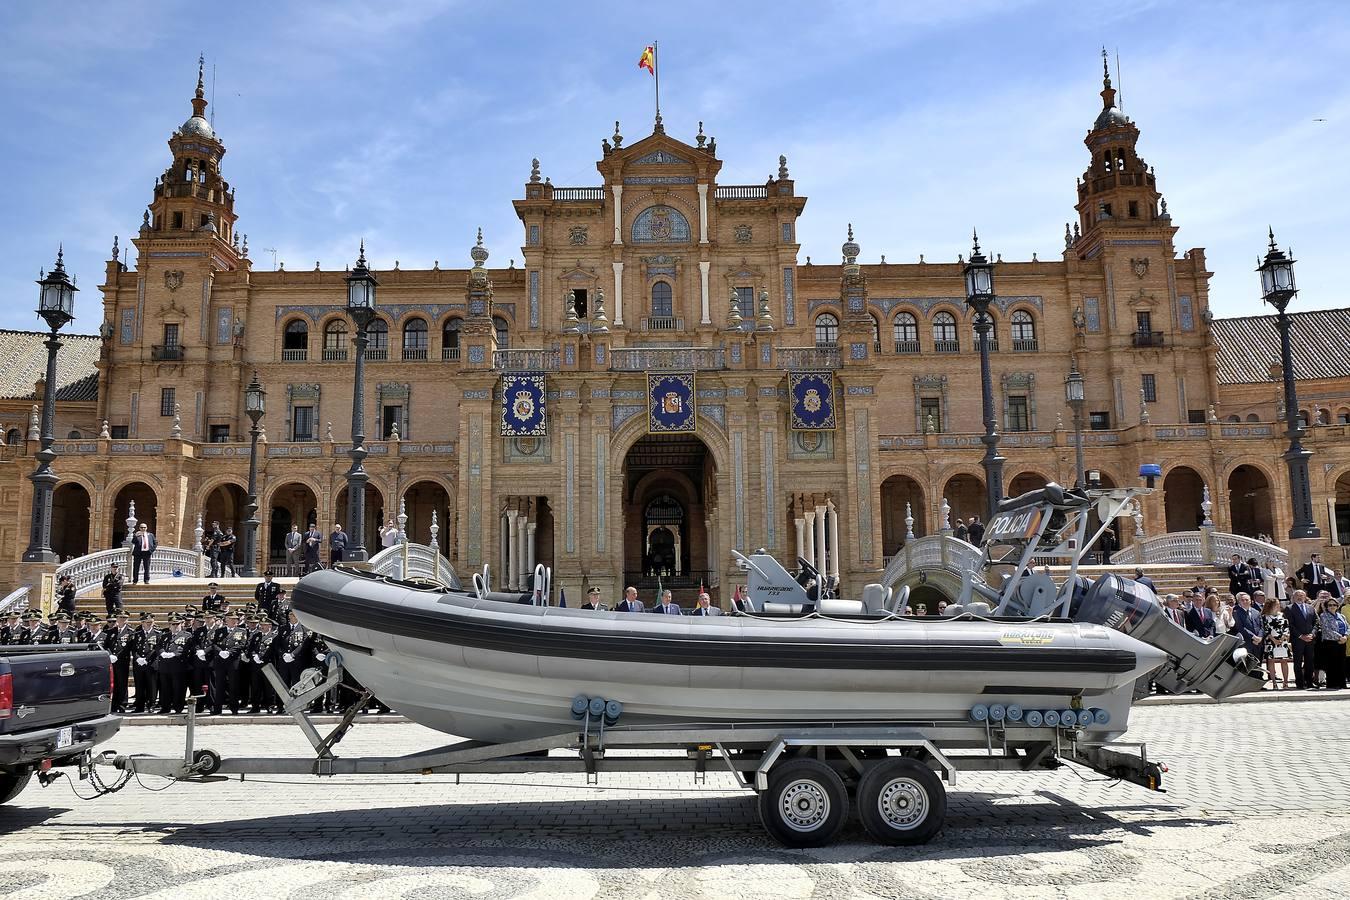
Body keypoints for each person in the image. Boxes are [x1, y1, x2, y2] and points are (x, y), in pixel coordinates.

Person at [209, 610, 252, 715]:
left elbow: (242, 644)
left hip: (233, 661)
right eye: (231, 619)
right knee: (219, 685)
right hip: (220, 661)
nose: (234, 621)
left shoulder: (242, 631)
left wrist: (229, 652)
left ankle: (234, 708)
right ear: (226, 620)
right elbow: (213, 644)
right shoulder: (220, 631)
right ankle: (217, 708)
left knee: (234, 685)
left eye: (235, 619)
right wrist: (220, 652)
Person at [156, 613, 195, 714]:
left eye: (177, 624)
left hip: (178, 666)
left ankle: (178, 707)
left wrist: (173, 654)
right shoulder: (164, 636)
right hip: (165, 666)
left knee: (179, 688)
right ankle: (165, 707)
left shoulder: (186, 635)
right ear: (169, 625)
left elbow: (186, 649)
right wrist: (162, 653)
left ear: (181, 624)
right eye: (172, 624)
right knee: (165, 688)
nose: (175, 626)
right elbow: (159, 646)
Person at [246, 616, 281, 713]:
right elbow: (250, 649)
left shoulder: (274, 637)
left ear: (270, 626)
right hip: (256, 666)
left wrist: (263, 658)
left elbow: (274, 651)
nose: (262, 627)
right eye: (261, 625)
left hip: (268, 665)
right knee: (255, 686)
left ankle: (269, 705)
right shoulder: (256, 636)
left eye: (264, 625)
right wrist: (254, 656)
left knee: (268, 687)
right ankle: (255, 706)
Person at [1286, 590, 1319, 689]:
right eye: (1297, 595)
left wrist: (1312, 635)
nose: (1300, 597)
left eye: (1302, 595)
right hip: (1298, 640)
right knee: (1298, 661)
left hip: (1310, 639)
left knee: (1309, 661)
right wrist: (1301, 636)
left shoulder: (1310, 608)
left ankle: (1309, 682)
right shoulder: (1289, 608)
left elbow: (1316, 623)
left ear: (1305, 597)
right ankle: (1299, 683)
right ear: (1294, 597)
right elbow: (1290, 625)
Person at [129, 613, 161, 713]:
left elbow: (158, 649)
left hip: (151, 664)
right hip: (139, 664)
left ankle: (151, 704)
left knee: (152, 686)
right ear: (142, 623)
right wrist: (137, 658)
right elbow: (133, 649)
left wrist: (146, 659)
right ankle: (139, 706)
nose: (149, 624)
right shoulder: (136, 635)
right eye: (147, 623)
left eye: (151, 622)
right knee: (139, 686)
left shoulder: (157, 634)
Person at [1316, 595, 1349, 690]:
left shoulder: (1341, 616)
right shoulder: (1323, 616)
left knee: (1341, 663)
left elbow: (1348, 627)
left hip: (1342, 642)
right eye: (1330, 605)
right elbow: (1327, 629)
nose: (1332, 606)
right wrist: (1340, 637)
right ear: (1326, 606)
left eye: (1334, 605)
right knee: (1331, 664)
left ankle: (1342, 684)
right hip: (1330, 643)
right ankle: (1332, 684)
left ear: (1337, 606)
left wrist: (1345, 636)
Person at [1262, 598, 1291, 690]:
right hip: (1271, 641)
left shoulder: (1282, 615)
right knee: (1271, 661)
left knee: (1284, 661)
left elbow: (1286, 627)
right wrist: (1273, 639)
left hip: (1283, 641)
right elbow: (1265, 629)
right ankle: (1274, 682)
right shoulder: (1265, 616)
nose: (1278, 605)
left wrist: (1283, 637)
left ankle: (1285, 682)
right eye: (1276, 604)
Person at [1232, 593, 1264, 661]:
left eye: (1246, 600)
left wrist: (1260, 637)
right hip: (1246, 643)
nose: (1244, 602)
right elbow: (1240, 628)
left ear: (1251, 601)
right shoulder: (1236, 613)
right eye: (1242, 600)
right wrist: (1253, 637)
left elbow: (1261, 626)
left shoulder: (1256, 612)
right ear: (1239, 602)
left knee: (1258, 663)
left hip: (1258, 643)